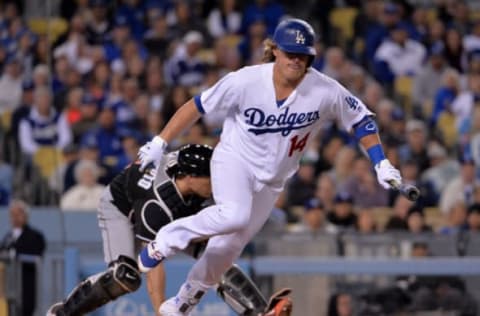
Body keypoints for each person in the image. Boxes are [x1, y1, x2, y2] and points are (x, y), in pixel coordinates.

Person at [136, 18, 402, 316]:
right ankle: (167, 239)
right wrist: (160, 141)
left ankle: (180, 304)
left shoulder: (325, 90)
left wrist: (381, 162)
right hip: (234, 161)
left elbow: (362, 120)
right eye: (290, 53)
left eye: (303, 55)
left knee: (226, 250)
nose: (296, 60)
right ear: (274, 50)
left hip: (272, 180)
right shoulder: (245, 80)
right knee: (234, 214)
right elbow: (196, 106)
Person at [47, 144, 214, 315]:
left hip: (167, 207)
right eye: (210, 176)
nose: (215, 180)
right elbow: (153, 263)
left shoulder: (189, 165)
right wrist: (160, 310)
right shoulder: (156, 205)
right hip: (121, 209)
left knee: (219, 255)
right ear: (190, 176)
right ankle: (62, 312)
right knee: (124, 276)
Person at [0, 200, 46, 316]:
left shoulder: (35, 236)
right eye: (12, 215)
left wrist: (16, 255)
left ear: (25, 215)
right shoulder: (8, 237)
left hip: (26, 286)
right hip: (9, 286)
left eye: (18, 214)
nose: (14, 218)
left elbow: (36, 254)